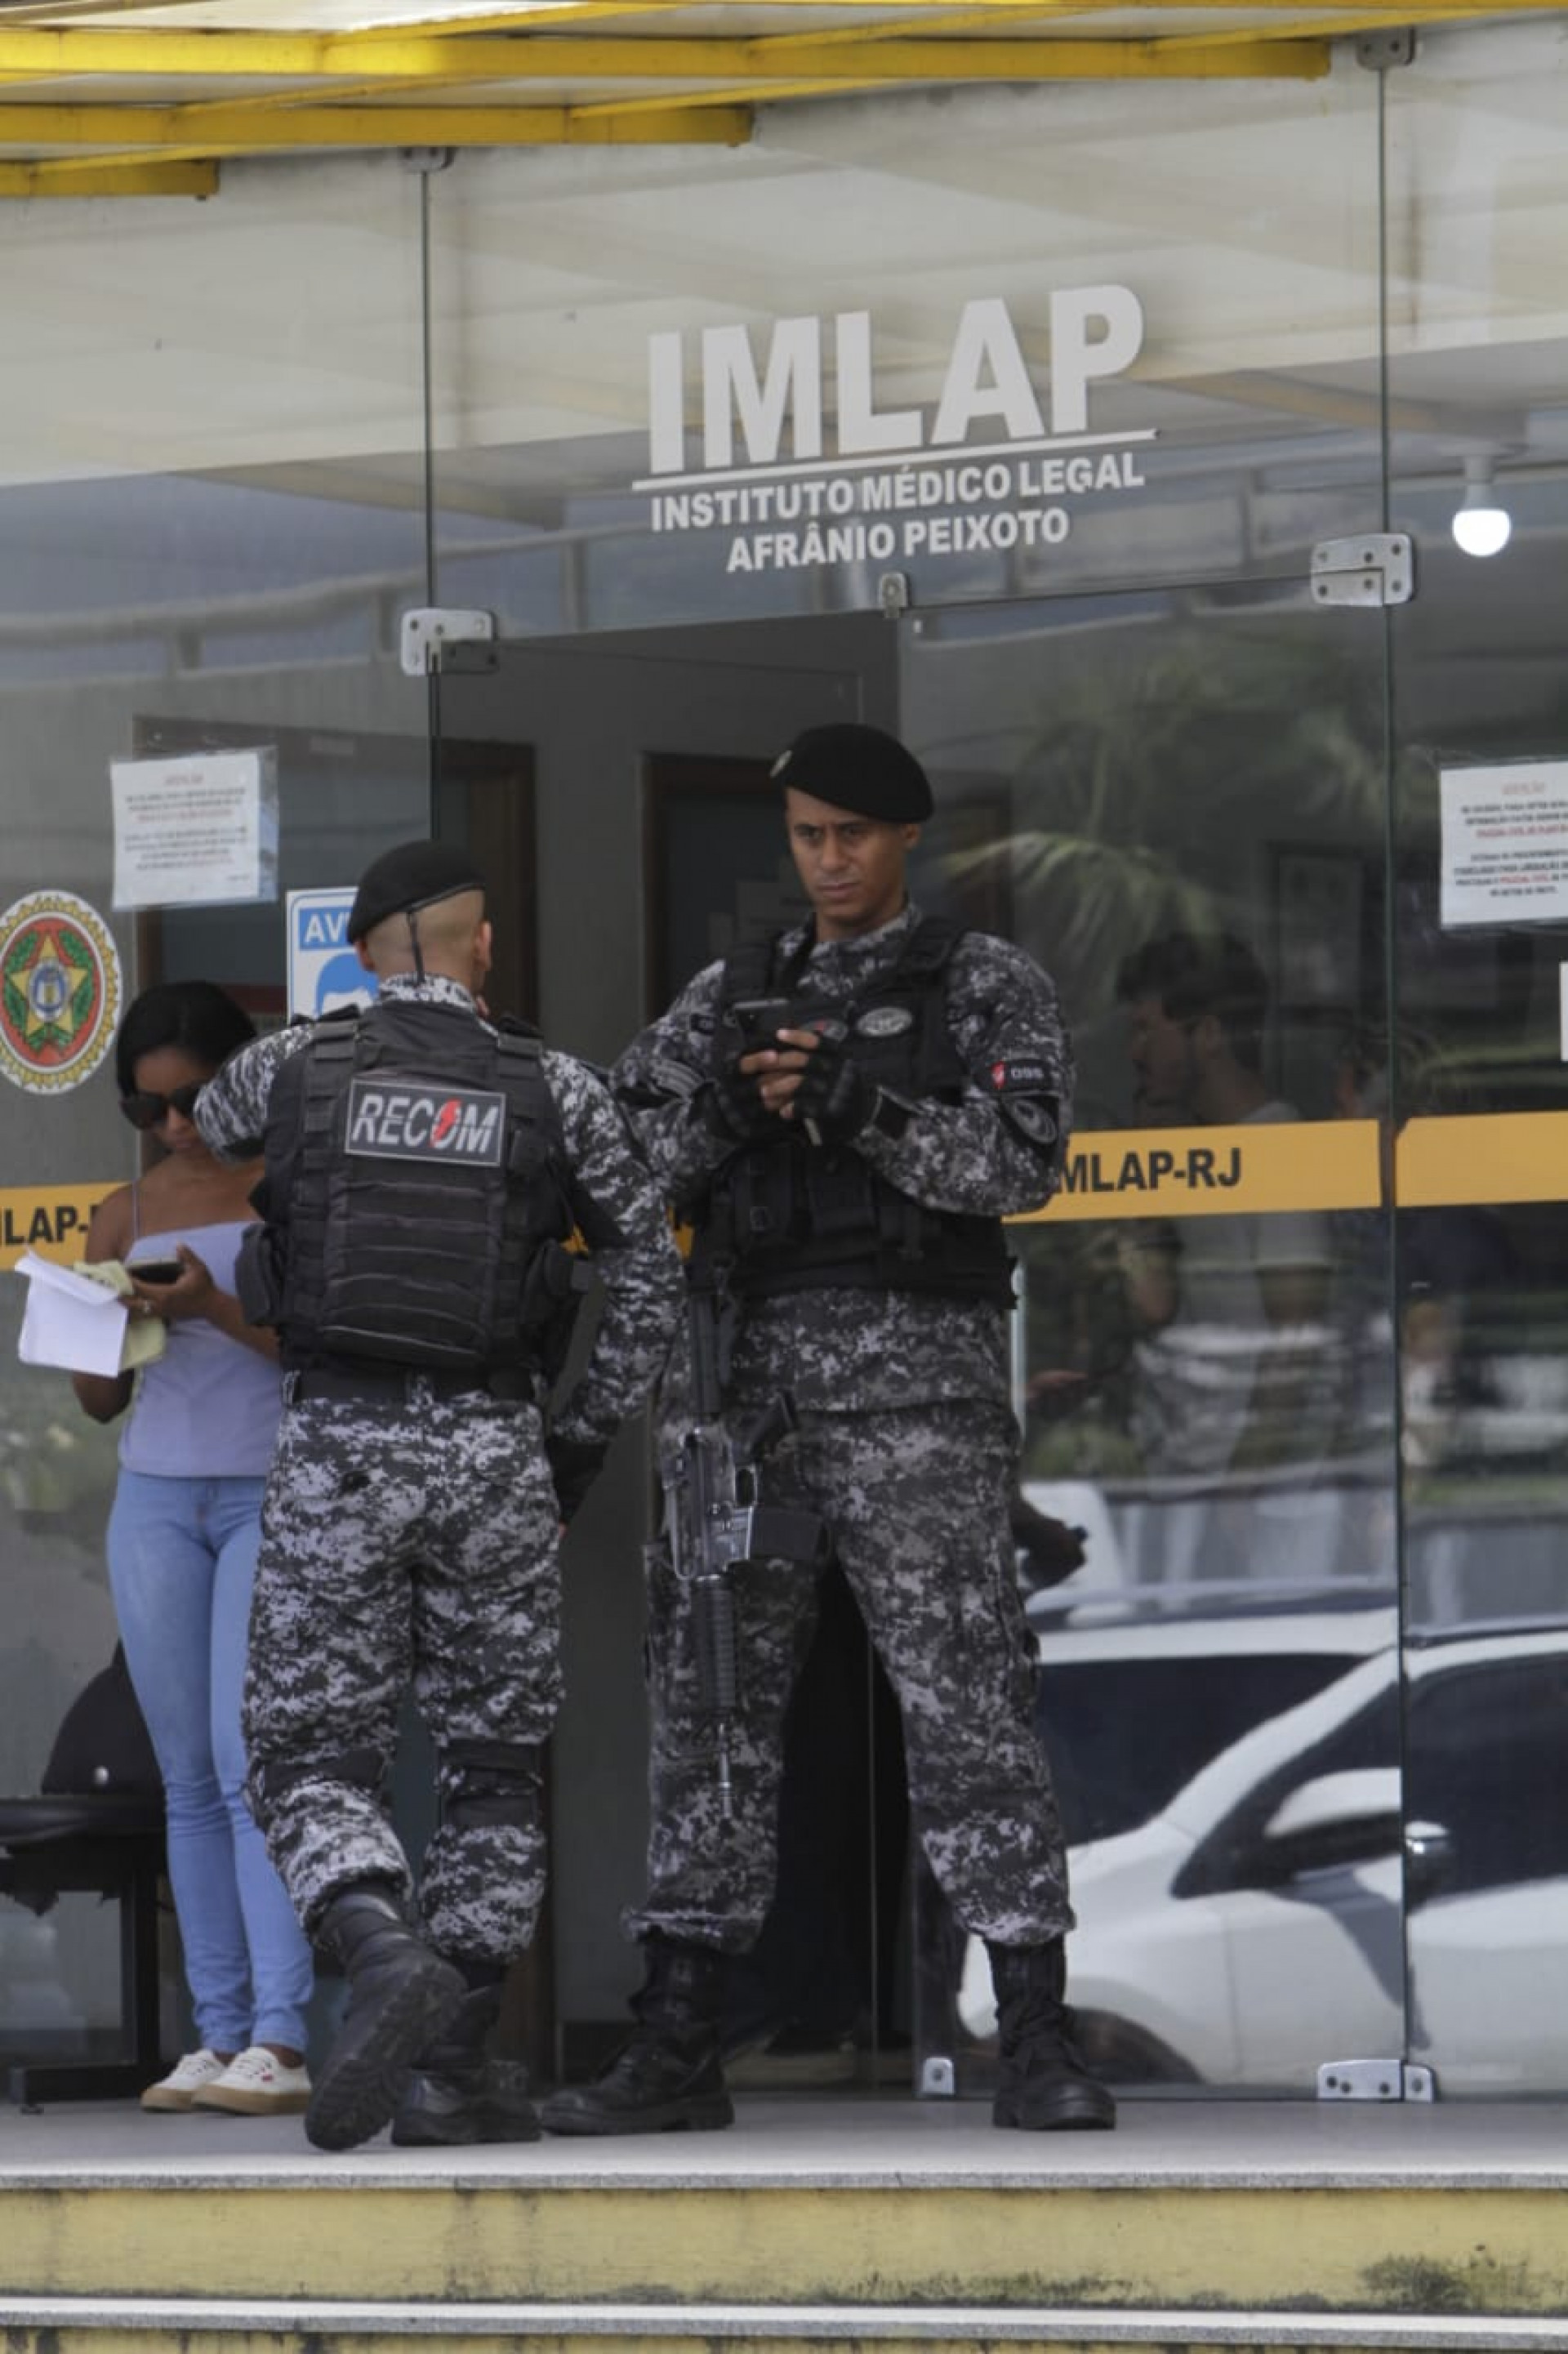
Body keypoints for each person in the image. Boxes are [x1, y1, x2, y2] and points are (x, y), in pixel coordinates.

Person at [541, 719, 1116, 2138]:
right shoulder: (733, 994)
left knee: (969, 1706)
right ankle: (681, 2039)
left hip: (921, 1402)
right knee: (711, 1712)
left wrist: (861, 1107)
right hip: (746, 1407)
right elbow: (616, 1160)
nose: (829, 859)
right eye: (806, 834)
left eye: (852, 834)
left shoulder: (983, 984)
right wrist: (730, 1118)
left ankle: (1033, 2030)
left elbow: (1023, 1164)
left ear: (904, 836)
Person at [192, 838, 684, 2153]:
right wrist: (571, 1444)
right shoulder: (557, 1087)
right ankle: (449, 2067)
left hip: (342, 1446)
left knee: (307, 1748)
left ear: (363, 951)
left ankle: (375, 1934)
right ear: (480, 945)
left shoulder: (298, 1066)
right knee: (492, 1770)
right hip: (495, 1454)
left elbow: (209, 1115)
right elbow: (648, 1276)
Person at [72, 980, 316, 2117]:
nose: (174, 1126)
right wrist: (109, 1318)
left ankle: (284, 2030)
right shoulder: (122, 1207)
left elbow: (313, 1348)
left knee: (246, 1755)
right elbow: (94, 1400)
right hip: (157, 1497)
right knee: (186, 1774)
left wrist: (214, 1303)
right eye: (148, 1104)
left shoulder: (288, 1184)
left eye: (193, 1098)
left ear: (240, 1074)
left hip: (270, 1484)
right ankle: (216, 2032)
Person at [1112, 930, 1343, 1589]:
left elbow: (1296, 1335)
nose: (1134, 1052)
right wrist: (1139, 1184)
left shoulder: (1276, 1146)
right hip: (1197, 1472)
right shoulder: (1197, 1154)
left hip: (1266, 1499)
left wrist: (1243, 1484)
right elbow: (1152, 1304)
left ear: (1207, 1035)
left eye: (1146, 1030)